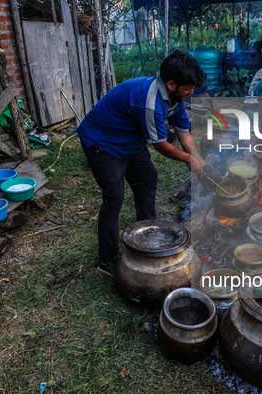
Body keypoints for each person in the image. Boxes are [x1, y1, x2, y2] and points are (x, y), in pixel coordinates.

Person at [76, 50, 207, 275]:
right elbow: (161, 145)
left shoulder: (177, 98)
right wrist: (187, 158)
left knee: (147, 178)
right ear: (171, 84)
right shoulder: (150, 102)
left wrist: (199, 159)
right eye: (188, 88)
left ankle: (147, 235)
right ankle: (106, 261)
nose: (191, 92)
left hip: (129, 139)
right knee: (114, 197)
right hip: (102, 142)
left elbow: (184, 133)